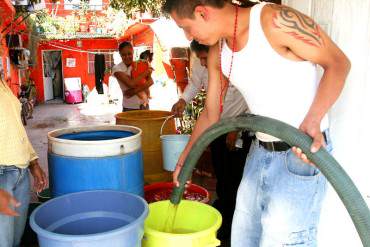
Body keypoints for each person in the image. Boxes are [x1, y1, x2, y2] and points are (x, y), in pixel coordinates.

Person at [163, 1, 350, 246]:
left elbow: (338, 63)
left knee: (284, 242)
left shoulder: (274, 21)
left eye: (186, 27)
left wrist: (312, 120)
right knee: (244, 238)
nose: (188, 36)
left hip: (300, 154)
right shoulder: (219, 50)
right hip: (260, 151)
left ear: (202, 12)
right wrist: (185, 159)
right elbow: (211, 114)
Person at [171, 40, 251, 240]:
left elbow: (251, 96)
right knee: (222, 175)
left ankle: (234, 225)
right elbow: (196, 84)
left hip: (240, 128)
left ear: (217, 53)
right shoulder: (201, 62)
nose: (204, 64)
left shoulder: (237, 61)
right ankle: (223, 217)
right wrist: (183, 100)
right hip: (217, 127)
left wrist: (239, 127)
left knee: (236, 179)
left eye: (206, 58)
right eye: (201, 59)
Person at [0, 77, 47, 247]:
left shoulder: (3, 83)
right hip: (2, 176)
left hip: (20, 173)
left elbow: (16, 126)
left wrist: (33, 162)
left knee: (14, 241)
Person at [112, 42, 154, 111]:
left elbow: (151, 82)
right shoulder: (117, 68)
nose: (127, 57)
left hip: (145, 105)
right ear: (120, 54)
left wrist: (130, 92)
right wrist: (146, 73)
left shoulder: (139, 64)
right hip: (130, 107)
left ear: (133, 52)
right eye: (124, 55)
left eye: (129, 54)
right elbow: (131, 83)